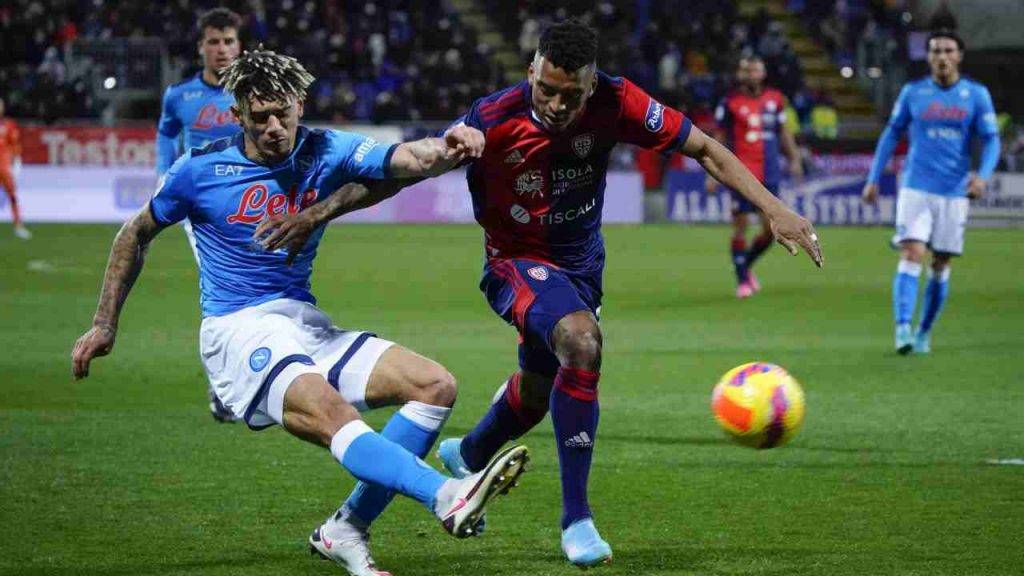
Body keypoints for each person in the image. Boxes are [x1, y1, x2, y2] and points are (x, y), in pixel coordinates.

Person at [255, 19, 822, 569]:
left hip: (582, 265)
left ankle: (471, 452)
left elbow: (705, 148)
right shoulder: (493, 118)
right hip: (515, 263)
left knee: (541, 384)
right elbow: (396, 176)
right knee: (581, 342)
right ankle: (577, 520)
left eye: (569, 96)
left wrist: (775, 210)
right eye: (545, 89)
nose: (555, 104)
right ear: (531, 71)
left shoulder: (620, 102)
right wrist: (317, 212)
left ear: (591, 86)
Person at [71, 47, 529, 576]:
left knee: (434, 386)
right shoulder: (197, 173)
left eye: (282, 114)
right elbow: (136, 232)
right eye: (259, 116)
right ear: (237, 113)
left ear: (299, 104)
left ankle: (345, 529)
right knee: (335, 412)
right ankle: (447, 493)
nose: (273, 127)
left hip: (301, 322)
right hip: (236, 329)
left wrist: (453, 143)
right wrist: (105, 323)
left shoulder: (325, 150)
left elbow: (409, 158)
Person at [863, 29, 1000, 355]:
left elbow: (991, 139)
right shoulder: (913, 93)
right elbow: (891, 133)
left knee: (941, 263)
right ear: (928, 57)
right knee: (912, 252)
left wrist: (982, 176)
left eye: (948, 50)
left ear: (959, 56)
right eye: (936, 50)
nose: (941, 56)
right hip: (916, 186)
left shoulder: (976, 95)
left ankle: (924, 331)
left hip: (954, 192)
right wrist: (873, 177)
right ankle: (903, 328)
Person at [155, 7, 246, 422]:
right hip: (203, 209)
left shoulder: (253, 92)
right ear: (201, 47)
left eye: (228, 41)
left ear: (239, 45)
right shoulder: (180, 96)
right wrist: (163, 174)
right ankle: (223, 389)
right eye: (214, 41)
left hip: (252, 203)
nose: (222, 49)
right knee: (224, 293)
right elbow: (167, 131)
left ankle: (257, 377)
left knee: (258, 294)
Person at [705, 55, 804, 298]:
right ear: (742, 74)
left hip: (769, 173)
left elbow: (784, 133)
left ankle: (744, 265)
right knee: (740, 227)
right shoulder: (729, 102)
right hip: (739, 173)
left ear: (763, 74)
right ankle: (742, 282)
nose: (752, 75)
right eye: (748, 71)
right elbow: (718, 138)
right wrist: (711, 172)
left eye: (756, 70)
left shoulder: (776, 100)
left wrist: (795, 159)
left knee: (771, 231)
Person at [0, 97, 29, 240]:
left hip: (4, 168)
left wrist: (17, 163)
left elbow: (15, 146)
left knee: (12, 197)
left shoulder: (9, 125)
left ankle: (18, 225)